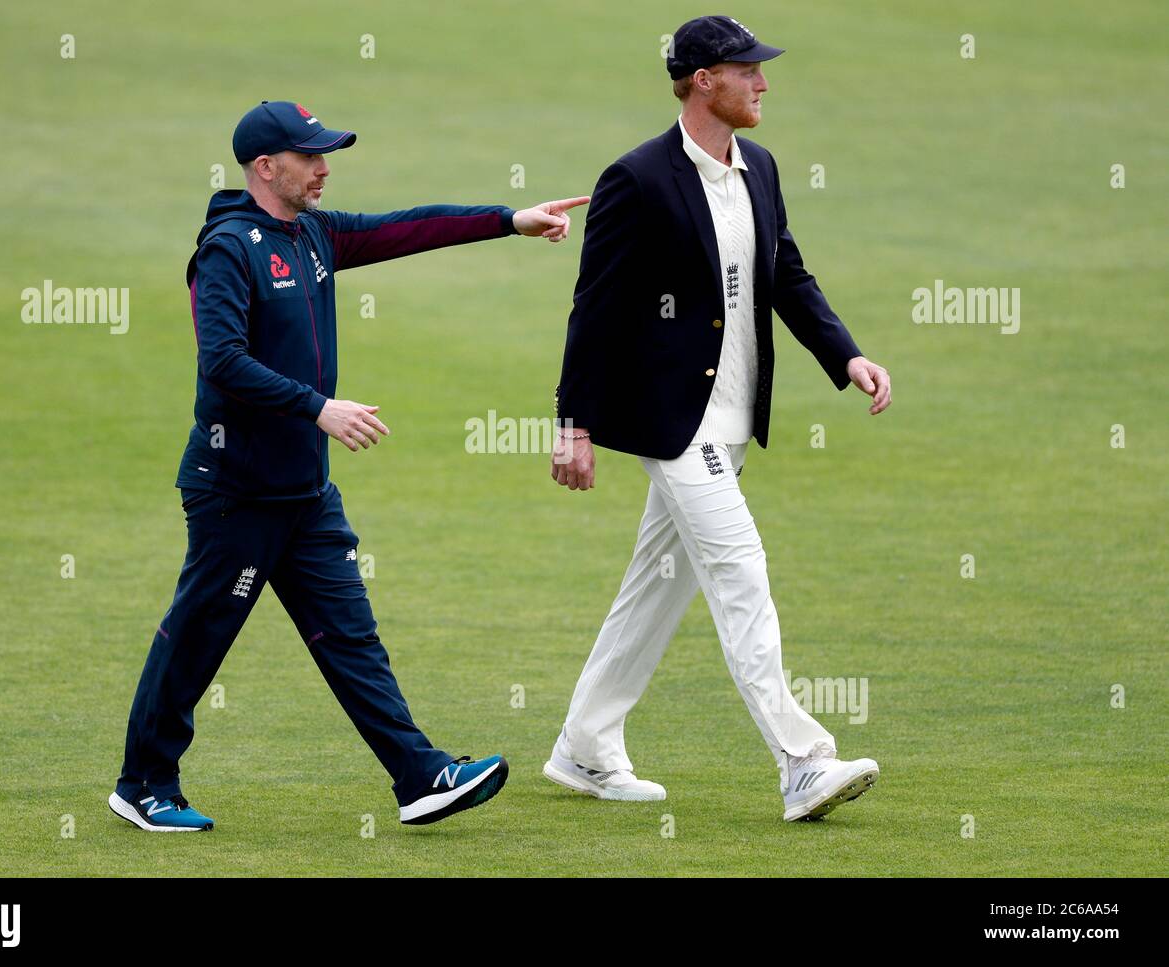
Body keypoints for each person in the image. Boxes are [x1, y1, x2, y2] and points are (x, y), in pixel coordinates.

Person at [110, 99, 588, 831]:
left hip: (303, 492)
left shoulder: (313, 234)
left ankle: (420, 774)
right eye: (311, 157)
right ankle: (142, 783)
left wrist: (508, 220)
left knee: (350, 635)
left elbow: (406, 227)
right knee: (199, 635)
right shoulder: (229, 248)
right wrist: (318, 407)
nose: (325, 167)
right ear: (267, 167)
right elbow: (222, 361)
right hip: (235, 492)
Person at [544, 17, 891, 822]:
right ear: (704, 79)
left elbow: (788, 275)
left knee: (656, 586)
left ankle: (585, 746)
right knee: (740, 570)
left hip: (733, 421)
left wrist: (846, 356)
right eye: (748, 71)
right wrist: (573, 423)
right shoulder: (637, 179)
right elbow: (593, 309)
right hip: (674, 422)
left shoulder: (759, 168)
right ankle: (803, 761)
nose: (764, 83)